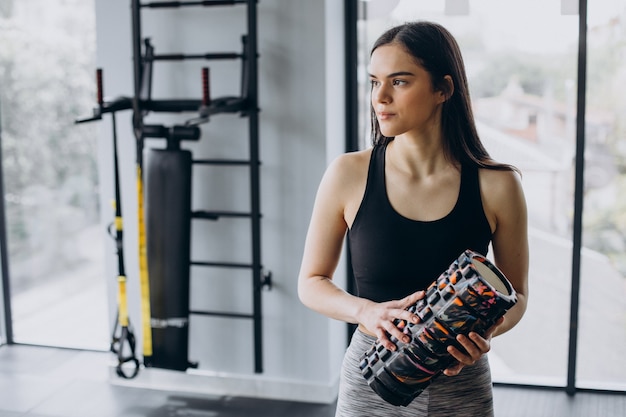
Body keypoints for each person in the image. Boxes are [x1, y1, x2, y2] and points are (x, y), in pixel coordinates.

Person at [297, 21, 529, 417]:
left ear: (443, 89)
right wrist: (365, 311)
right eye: (374, 82)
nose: (380, 97)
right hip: (371, 380)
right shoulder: (348, 173)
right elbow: (310, 283)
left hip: (461, 382)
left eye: (399, 82)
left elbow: (516, 296)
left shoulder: (499, 185)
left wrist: (484, 332)